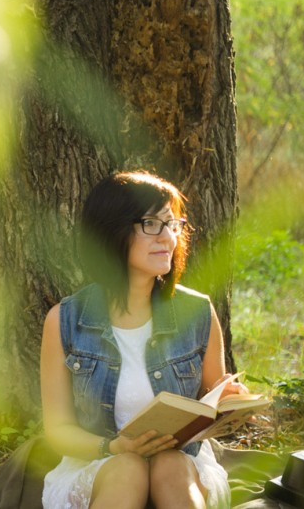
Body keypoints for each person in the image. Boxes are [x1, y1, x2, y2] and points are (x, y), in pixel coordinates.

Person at [40, 171, 246, 509]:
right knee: (129, 469)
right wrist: (114, 448)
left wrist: (230, 403)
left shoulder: (197, 311)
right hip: (100, 464)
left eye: (173, 224)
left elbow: (213, 403)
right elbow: (58, 429)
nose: (168, 238)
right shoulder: (64, 321)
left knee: (169, 464)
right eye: (152, 224)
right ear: (111, 232)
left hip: (183, 464)